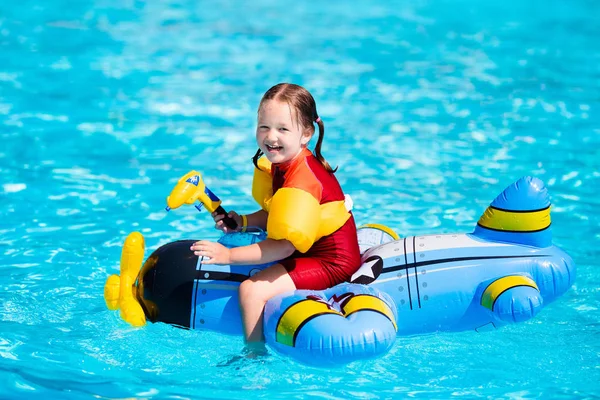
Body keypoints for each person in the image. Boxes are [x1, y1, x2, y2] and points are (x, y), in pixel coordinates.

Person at [190, 83, 361, 348]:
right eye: (264, 127)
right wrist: (243, 222)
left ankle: (254, 357)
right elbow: (276, 213)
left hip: (330, 260)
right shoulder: (284, 161)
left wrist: (228, 256)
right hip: (306, 245)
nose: (271, 137)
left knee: (251, 290)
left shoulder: (301, 182)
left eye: (283, 129)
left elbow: (283, 246)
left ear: (306, 134)